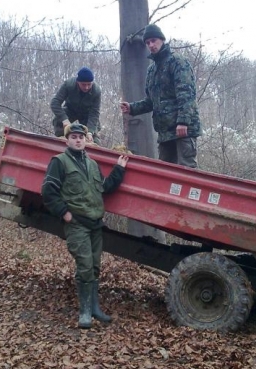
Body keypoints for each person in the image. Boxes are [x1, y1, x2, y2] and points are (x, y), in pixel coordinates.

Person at [41, 122, 129, 329]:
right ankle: (85, 312)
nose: (78, 139)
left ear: (86, 140)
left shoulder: (92, 164)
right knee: (85, 266)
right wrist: (65, 213)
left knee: (95, 267)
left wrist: (119, 169)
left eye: (81, 136)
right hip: (77, 225)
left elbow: (105, 187)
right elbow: (48, 191)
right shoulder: (59, 162)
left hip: (95, 225)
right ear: (67, 139)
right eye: (74, 136)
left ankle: (96, 308)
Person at [120, 24, 201, 168]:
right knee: (165, 174)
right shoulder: (152, 70)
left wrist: (183, 121)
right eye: (148, 42)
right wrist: (132, 108)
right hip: (165, 132)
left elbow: (186, 93)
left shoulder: (177, 62)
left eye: (153, 40)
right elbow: (151, 101)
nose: (151, 45)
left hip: (183, 130)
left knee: (187, 173)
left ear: (162, 40)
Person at [50, 67, 102, 145]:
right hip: (70, 109)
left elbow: (95, 112)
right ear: (78, 82)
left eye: (89, 84)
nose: (86, 87)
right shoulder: (68, 85)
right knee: (58, 121)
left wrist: (90, 132)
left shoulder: (96, 91)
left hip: (86, 114)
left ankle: (94, 150)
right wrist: (64, 120)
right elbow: (55, 102)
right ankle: (62, 142)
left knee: (94, 133)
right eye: (83, 85)